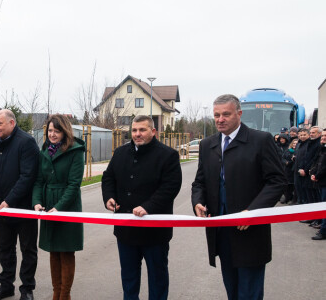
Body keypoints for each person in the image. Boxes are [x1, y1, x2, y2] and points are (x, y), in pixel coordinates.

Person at [191, 94, 286, 300]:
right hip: (221, 230)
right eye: (216, 115)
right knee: (231, 288)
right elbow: (200, 181)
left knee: (249, 291)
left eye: (226, 114)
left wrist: (252, 211)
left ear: (239, 114)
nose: (220, 119)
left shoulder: (260, 141)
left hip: (250, 231)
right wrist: (198, 201)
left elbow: (277, 181)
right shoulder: (208, 145)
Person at [102, 115, 182, 300]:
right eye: (134, 130)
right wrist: (109, 197)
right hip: (126, 231)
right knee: (129, 280)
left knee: (157, 279)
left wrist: (148, 207)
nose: (137, 134)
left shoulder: (168, 155)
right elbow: (108, 178)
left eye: (142, 130)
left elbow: (170, 187)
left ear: (153, 131)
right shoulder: (120, 153)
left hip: (154, 232)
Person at [0, 109, 39, 300]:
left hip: (23, 207)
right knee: (5, 249)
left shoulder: (26, 142)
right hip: (2, 207)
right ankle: (6, 286)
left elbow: (28, 176)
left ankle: (27, 289)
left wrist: (10, 200)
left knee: (27, 249)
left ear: (12, 123)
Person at [32, 114, 85, 300]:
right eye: (50, 131)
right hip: (48, 204)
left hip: (67, 206)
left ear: (65, 131)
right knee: (54, 250)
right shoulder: (45, 150)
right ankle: (57, 293)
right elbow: (38, 181)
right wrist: (37, 202)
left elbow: (74, 185)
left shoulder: (76, 151)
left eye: (57, 131)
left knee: (66, 251)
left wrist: (60, 207)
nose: (52, 134)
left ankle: (65, 295)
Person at [310, 129, 326, 240]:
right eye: (323, 136)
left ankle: (323, 231)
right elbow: (316, 162)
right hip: (320, 181)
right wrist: (313, 173)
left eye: (325, 136)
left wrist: (317, 175)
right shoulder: (322, 148)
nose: (323, 137)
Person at [294, 128, 310, 205]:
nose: (302, 136)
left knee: (305, 191)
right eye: (301, 135)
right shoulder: (298, 144)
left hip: (304, 171)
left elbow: (308, 158)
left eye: (304, 135)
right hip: (296, 170)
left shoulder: (309, 144)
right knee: (298, 189)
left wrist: (304, 169)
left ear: (308, 135)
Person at [280, 139, 298, 204]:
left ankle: (293, 199)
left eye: (296, 143)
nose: (294, 145)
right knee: (287, 185)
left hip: (294, 170)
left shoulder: (297, 151)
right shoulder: (287, 151)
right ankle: (286, 197)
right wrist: (285, 162)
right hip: (287, 170)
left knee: (293, 186)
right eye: (293, 143)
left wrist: (290, 162)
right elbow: (282, 158)